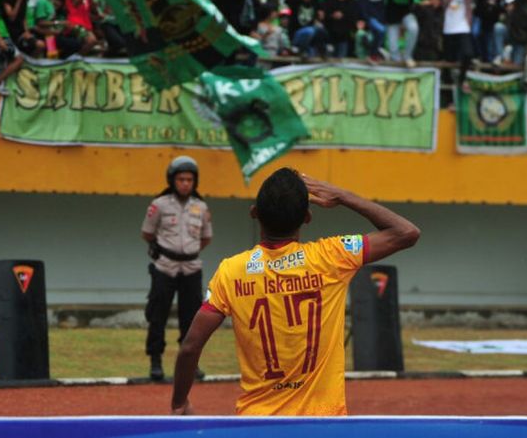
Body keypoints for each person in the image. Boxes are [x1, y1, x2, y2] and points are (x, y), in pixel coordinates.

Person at [171, 168, 420, 415]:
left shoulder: (231, 271)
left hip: (258, 424)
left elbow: (191, 346)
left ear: (254, 213)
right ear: (307, 217)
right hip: (323, 425)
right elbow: (406, 232)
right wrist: (344, 196)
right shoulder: (333, 257)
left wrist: (179, 402)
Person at [141, 156, 213, 381]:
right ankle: (156, 361)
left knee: (192, 319)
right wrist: (167, 250)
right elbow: (147, 233)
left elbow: (206, 238)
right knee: (157, 315)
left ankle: (191, 364)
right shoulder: (159, 205)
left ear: (195, 181)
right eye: (181, 179)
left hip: (191, 267)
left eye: (189, 179)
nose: (185, 183)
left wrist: (188, 251)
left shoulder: (201, 207)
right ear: (172, 180)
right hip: (165, 266)